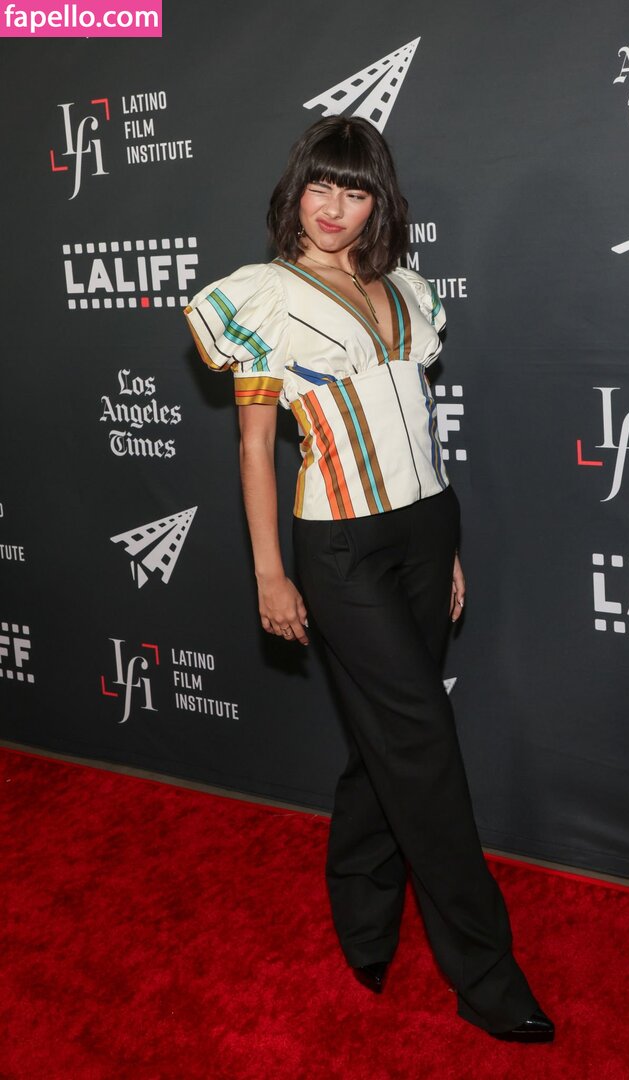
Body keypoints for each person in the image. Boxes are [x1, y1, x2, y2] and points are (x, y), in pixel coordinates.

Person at [183, 115, 554, 1043]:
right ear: (295, 190)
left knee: (382, 744)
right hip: (340, 549)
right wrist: (270, 572)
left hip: (427, 530)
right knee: (421, 740)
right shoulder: (264, 296)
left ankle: (361, 908)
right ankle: (485, 972)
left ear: (378, 201)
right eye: (321, 184)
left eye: (354, 190)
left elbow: (419, 423)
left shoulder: (406, 289)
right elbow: (254, 446)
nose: (334, 206)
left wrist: (449, 546)